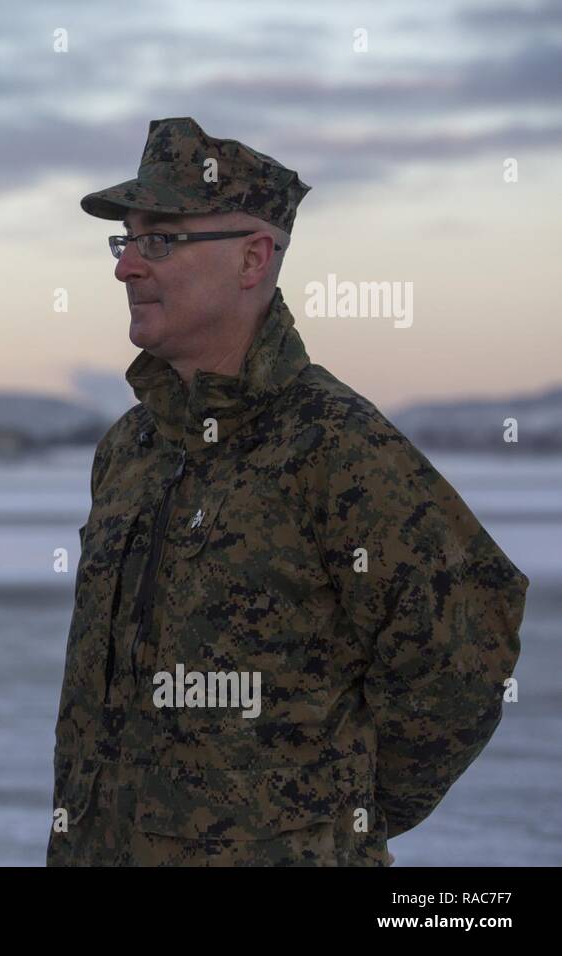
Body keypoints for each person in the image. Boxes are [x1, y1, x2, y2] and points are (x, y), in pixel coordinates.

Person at [46, 116, 527, 866]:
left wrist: (327, 827)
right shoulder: (130, 449)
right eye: (126, 241)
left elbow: (462, 659)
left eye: (160, 240)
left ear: (253, 259)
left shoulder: (335, 446)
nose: (126, 268)